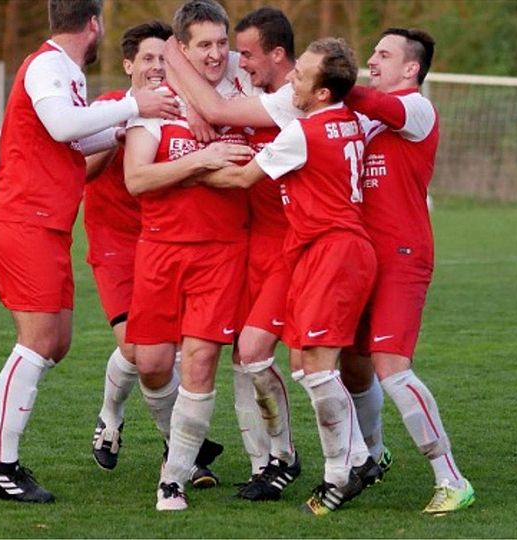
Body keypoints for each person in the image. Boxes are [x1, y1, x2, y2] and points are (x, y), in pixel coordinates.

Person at [0, 0, 179, 503]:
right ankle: (1, 463)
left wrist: (118, 132)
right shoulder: (49, 64)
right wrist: (134, 106)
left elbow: (76, 141)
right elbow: (61, 126)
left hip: (47, 224)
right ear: (93, 24)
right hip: (23, 219)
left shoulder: (65, 70)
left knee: (56, 342)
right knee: (37, 342)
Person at [200, 37, 382, 517]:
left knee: (318, 369)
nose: (293, 83)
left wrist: (189, 168)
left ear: (323, 92)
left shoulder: (303, 133)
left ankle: (338, 475)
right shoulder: (351, 121)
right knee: (304, 364)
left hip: (332, 251)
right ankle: (359, 458)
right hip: (323, 251)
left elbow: (240, 180)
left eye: (301, 76)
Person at [121, 0, 254, 511]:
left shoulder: (243, 96)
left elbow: (241, 168)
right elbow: (137, 178)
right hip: (158, 249)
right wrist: (202, 158)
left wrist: (205, 156)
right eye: (204, 44)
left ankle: (173, 476)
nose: (217, 53)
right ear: (182, 49)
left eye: (222, 43)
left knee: (199, 363)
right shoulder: (156, 102)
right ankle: (178, 444)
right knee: (153, 363)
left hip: (222, 252)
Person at [337, 27, 476, 515]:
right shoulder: (367, 115)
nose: (372, 61)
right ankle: (373, 455)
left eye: (383, 54)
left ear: (411, 68)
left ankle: (451, 478)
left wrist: (332, 78)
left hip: (401, 254)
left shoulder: (416, 108)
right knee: (350, 363)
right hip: (360, 256)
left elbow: (381, 107)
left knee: (391, 368)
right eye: (372, 53)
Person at [84, 21, 224, 487]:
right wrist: (116, 135)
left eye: (165, 59)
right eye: (147, 59)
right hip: (114, 238)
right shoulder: (111, 107)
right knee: (134, 345)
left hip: (163, 237)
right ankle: (116, 418)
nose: (157, 68)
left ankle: (176, 451)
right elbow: (81, 169)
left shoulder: (185, 109)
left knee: (173, 353)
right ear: (128, 65)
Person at [225, 6, 301, 502]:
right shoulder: (261, 87)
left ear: (278, 54)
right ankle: (266, 463)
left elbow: (217, 111)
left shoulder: (296, 97)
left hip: (290, 248)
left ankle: (289, 457)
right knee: (241, 356)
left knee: (257, 354)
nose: (240, 63)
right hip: (251, 246)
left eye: (249, 55)